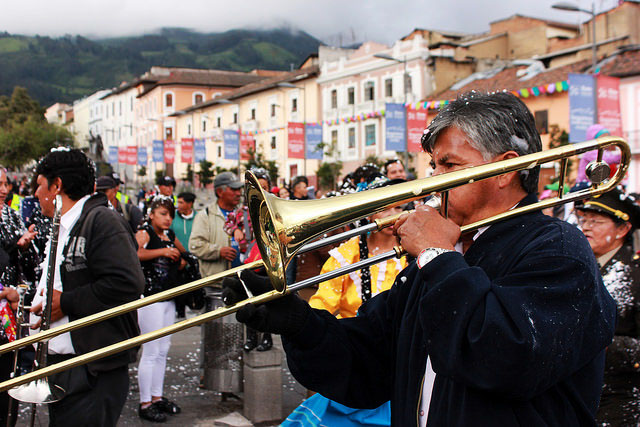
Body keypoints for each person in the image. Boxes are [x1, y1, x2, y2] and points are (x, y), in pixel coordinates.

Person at [223, 92, 616, 425]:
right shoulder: (444, 258)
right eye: (434, 165)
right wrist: (298, 323)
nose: (432, 180)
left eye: (449, 165)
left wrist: (437, 255)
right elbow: (367, 369)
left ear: (503, 169)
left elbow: (504, 359)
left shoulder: (559, 249)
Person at [29, 148, 144, 426]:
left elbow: (128, 283)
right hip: (66, 366)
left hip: (91, 370)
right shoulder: (65, 224)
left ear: (57, 186)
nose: (34, 194)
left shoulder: (102, 220)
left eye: (39, 185)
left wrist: (65, 303)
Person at [575, 189, 640, 425]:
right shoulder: (578, 267)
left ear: (622, 230)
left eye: (597, 221)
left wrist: (604, 345)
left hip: (618, 402)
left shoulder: (636, 274)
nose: (586, 227)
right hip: (577, 396)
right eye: (584, 219)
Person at [189, 171, 243, 396]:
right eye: (234, 189)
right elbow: (195, 245)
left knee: (238, 333)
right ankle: (212, 377)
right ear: (220, 191)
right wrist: (218, 251)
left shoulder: (243, 214)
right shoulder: (206, 215)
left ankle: (235, 379)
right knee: (215, 334)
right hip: (216, 285)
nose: (239, 193)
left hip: (241, 282)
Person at [135, 195, 185, 422]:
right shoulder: (145, 232)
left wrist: (180, 259)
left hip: (168, 296)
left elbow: (184, 255)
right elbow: (135, 253)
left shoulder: (170, 235)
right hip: (150, 298)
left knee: (163, 349)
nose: (168, 219)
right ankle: (145, 402)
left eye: (170, 215)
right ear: (151, 213)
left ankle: (157, 397)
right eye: (163, 214)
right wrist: (163, 252)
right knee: (151, 351)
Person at [170, 191, 197, 318]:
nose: (178, 205)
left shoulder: (199, 217)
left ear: (190, 204)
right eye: (177, 202)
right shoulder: (172, 217)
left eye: (181, 202)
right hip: (178, 260)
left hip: (195, 261)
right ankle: (179, 313)